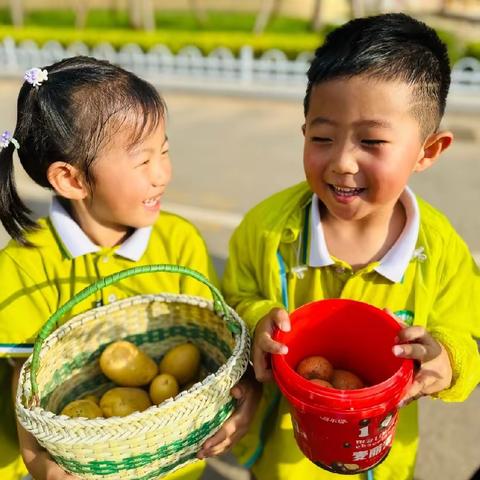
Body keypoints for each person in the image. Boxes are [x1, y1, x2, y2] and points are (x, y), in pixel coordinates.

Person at [222, 13, 480, 480]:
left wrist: (447, 358)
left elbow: (468, 334)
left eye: (372, 141)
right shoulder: (267, 231)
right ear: (304, 133)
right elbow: (232, 300)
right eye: (323, 138)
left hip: (381, 460)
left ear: (428, 150)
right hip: (285, 460)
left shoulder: (440, 251)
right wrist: (257, 318)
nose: (342, 162)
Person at [0, 57, 260, 480]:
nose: (162, 174)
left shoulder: (178, 241)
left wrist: (248, 393)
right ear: (71, 180)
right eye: (143, 161)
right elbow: (24, 381)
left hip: (178, 466)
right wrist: (39, 462)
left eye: (165, 150)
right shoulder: (25, 263)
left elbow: (220, 343)